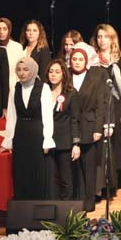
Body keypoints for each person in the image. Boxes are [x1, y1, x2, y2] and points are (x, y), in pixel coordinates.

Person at [0, 57, 56, 200]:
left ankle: (37, 207)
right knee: (21, 171)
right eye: (19, 70)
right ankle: (22, 207)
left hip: (37, 134)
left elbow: (47, 115)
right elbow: (12, 116)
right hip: (21, 134)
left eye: (25, 69)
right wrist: (9, 140)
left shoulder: (43, 88)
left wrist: (47, 139)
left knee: (36, 171)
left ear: (33, 70)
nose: (22, 73)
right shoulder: (15, 88)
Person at [91, 23, 121, 190]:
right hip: (100, 107)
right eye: (99, 37)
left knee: (120, 144)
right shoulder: (93, 60)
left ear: (112, 39)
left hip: (118, 107)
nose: (102, 40)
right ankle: (105, 179)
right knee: (103, 144)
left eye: (106, 37)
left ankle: (119, 175)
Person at [69, 43, 108, 211]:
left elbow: (100, 105)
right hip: (70, 126)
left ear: (86, 62)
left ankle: (89, 202)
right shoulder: (66, 77)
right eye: (74, 59)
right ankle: (75, 201)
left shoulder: (94, 78)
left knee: (89, 167)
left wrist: (98, 128)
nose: (77, 62)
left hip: (89, 126)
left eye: (80, 59)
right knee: (73, 167)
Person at [46, 58, 81, 200]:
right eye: (51, 72)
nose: (53, 74)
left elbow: (75, 119)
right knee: (50, 179)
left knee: (66, 179)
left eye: (57, 72)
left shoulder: (71, 93)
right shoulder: (43, 92)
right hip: (46, 142)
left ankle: (66, 209)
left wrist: (76, 144)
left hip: (64, 143)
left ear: (63, 74)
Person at [0, 17, 25, 89]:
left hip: (13, 86)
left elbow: (21, 69)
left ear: (9, 30)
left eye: (4, 29)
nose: (1, 32)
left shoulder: (17, 47)